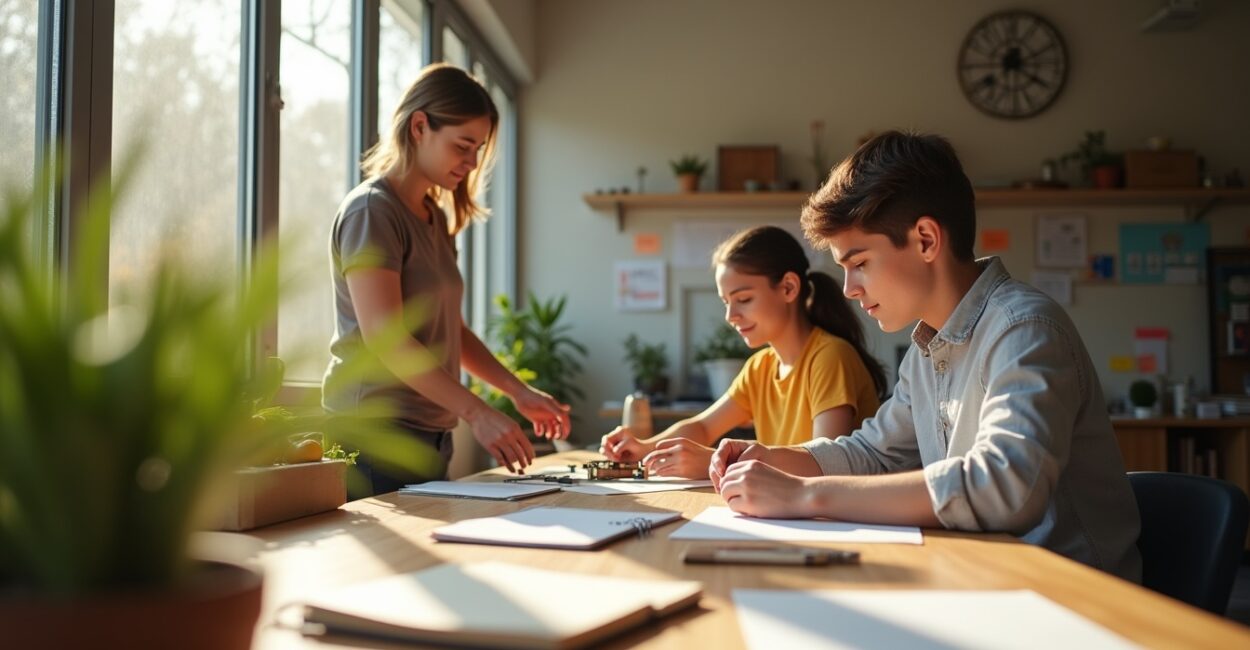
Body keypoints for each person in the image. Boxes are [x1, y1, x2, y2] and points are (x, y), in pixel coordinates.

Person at [709, 131, 1142, 581]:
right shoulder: (926, 350)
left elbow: (1006, 486)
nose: (849, 289)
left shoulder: (1024, 328)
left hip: (1069, 600)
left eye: (859, 263)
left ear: (926, 240)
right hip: (981, 578)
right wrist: (772, 458)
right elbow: (875, 453)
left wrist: (804, 495)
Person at [322, 63, 569, 497]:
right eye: (463, 146)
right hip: (374, 434)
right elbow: (387, 339)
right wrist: (477, 414)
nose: (472, 163)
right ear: (419, 127)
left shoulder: (433, 216)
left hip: (430, 433)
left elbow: (450, 327)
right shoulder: (372, 213)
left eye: (478, 149)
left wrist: (517, 391)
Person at [600, 225, 886, 479]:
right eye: (726, 302)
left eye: (743, 299)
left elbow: (824, 463)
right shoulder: (759, 367)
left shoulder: (830, 357)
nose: (730, 315)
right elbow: (702, 428)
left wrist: (716, 462)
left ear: (788, 287)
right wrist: (645, 448)